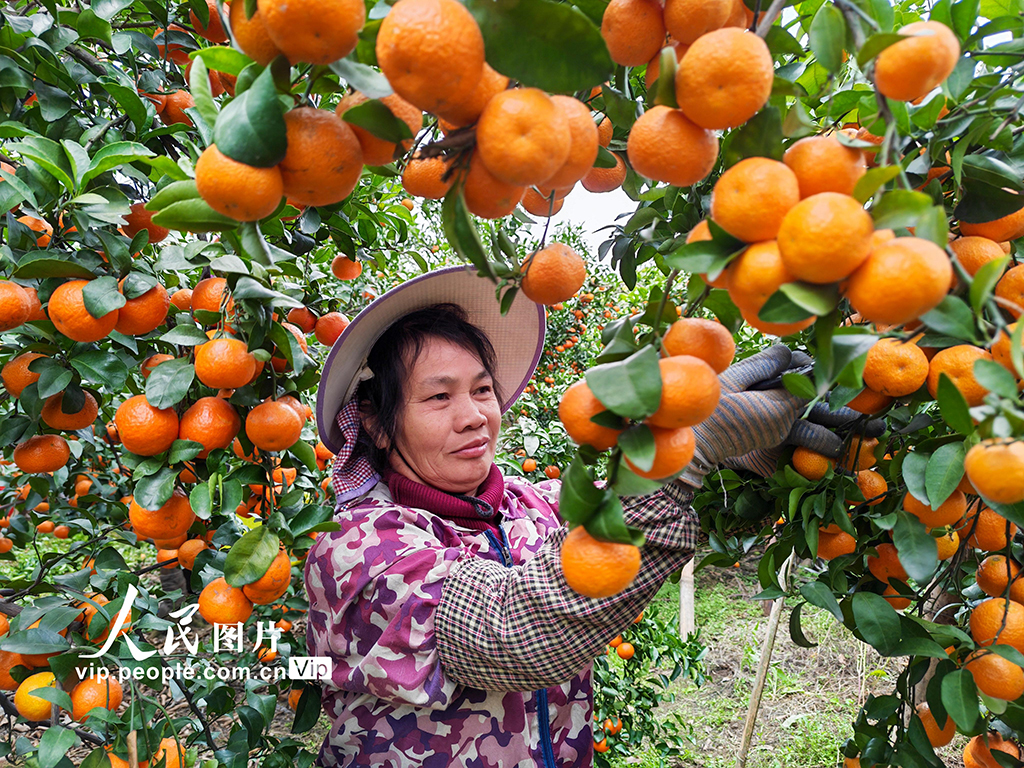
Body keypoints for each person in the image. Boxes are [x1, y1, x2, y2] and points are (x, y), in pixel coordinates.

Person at [304, 265, 876, 766]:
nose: (475, 416)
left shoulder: (538, 505)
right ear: (376, 423)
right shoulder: (356, 548)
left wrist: (749, 458)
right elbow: (510, 630)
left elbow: (674, 505)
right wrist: (685, 452)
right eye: (438, 397)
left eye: (482, 390)